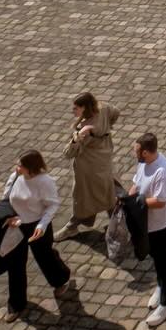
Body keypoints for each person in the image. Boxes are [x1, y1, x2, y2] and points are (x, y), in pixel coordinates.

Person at [0, 150, 74, 321]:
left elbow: (52, 205)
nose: (17, 168)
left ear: (30, 167)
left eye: (20, 165)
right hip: (16, 226)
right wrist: (7, 215)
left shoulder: (45, 182)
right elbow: (7, 194)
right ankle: (16, 304)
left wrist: (42, 225)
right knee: (15, 264)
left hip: (36, 224)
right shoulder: (17, 175)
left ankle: (61, 279)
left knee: (44, 256)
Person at [131, 133, 166, 325]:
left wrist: (137, 203)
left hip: (163, 223)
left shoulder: (164, 170)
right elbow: (136, 183)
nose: (134, 153)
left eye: (136, 150)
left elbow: (160, 201)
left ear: (145, 152)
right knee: (156, 257)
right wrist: (128, 198)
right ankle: (161, 286)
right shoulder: (143, 163)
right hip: (149, 223)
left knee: (164, 259)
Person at [57, 93, 118, 239]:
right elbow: (115, 112)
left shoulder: (84, 130)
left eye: (76, 108)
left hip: (88, 170)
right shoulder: (104, 109)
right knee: (107, 196)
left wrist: (77, 137)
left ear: (85, 108)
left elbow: (68, 153)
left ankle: (72, 227)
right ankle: (117, 224)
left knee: (83, 200)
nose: (73, 111)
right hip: (103, 164)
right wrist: (108, 127)